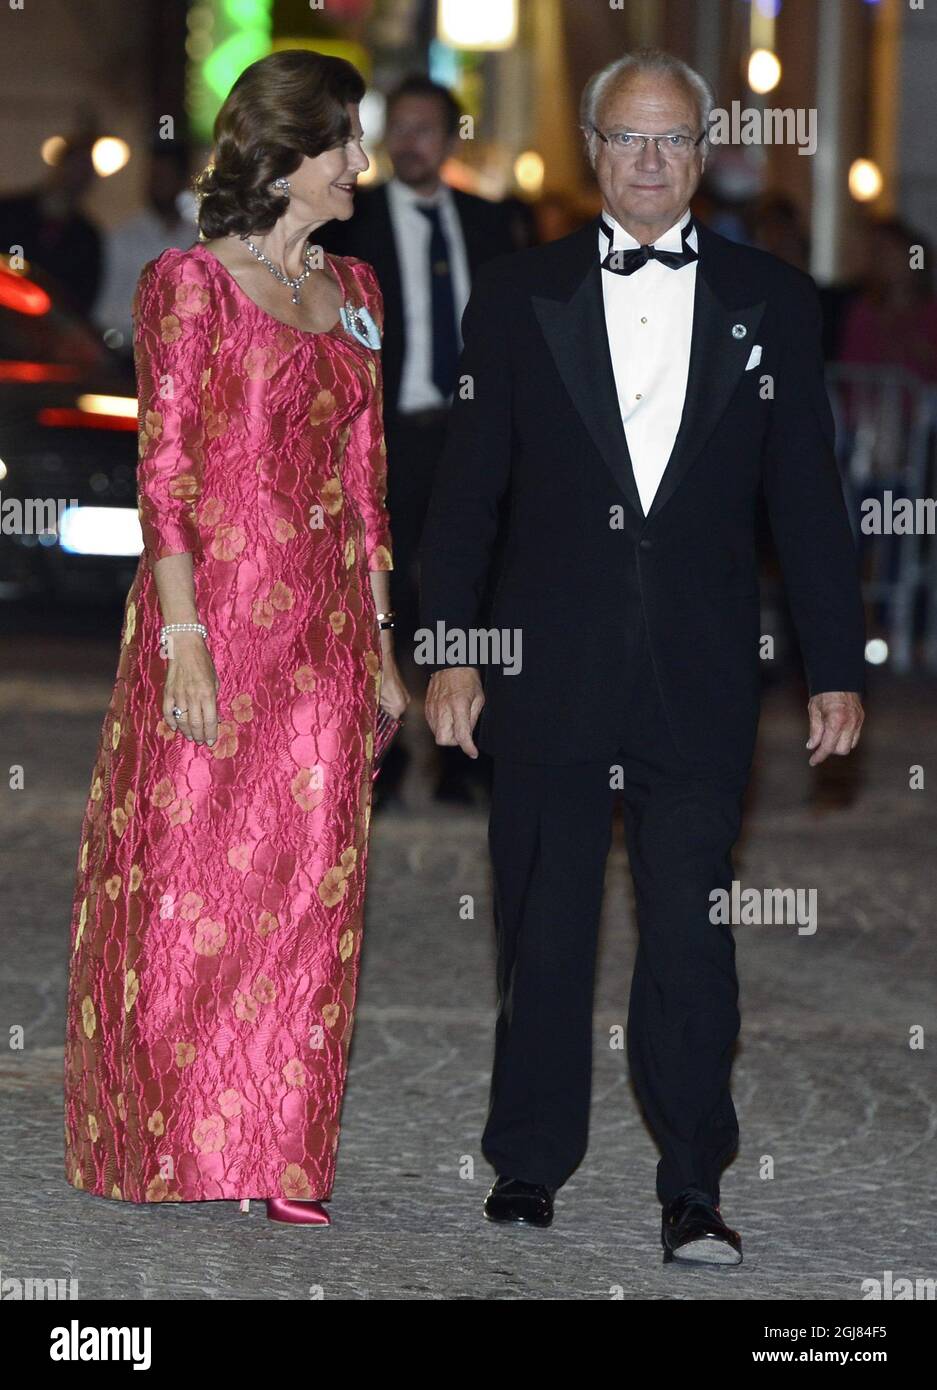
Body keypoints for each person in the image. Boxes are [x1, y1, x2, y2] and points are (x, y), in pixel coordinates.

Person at [420, 47, 866, 1264]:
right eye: (629, 138)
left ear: (707, 148)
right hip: (546, 666)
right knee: (543, 926)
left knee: (689, 935)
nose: (652, 161)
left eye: (674, 139)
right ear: (593, 145)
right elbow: (467, 497)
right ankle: (527, 1162)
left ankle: (691, 1183)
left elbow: (808, 500)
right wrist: (451, 646)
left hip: (701, 672)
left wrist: (837, 660)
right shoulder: (516, 297)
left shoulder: (773, 298)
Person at [63, 48, 408, 1226]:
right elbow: (165, 482)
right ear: (287, 152)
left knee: (312, 890)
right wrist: (184, 640)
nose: (361, 161)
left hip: (324, 633)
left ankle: (286, 1152)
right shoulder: (188, 287)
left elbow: (368, 489)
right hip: (206, 616)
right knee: (188, 881)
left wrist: (385, 645)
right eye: (344, 141)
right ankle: (170, 1134)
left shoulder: (358, 288)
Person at [318, 74, 515, 804]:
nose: (408, 141)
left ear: (451, 137)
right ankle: (381, 758)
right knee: (379, 600)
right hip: (385, 439)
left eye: (424, 127)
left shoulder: (492, 224)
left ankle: (466, 754)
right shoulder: (349, 226)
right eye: (395, 127)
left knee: (471, 596)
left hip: (471, 440)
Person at [93, 140, 198, 357]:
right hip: (130, 354)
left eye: (166, 177)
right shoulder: (124, 237)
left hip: (185, 357)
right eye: (155, 177)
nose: (159, 184)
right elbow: (107, 306)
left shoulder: (196, 239)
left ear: (181, 180)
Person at [0, 136, 102, 316]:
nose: (77, 178)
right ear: (59, 166)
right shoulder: (9, 212)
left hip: (46, 331)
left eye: (85, 173)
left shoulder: (86, 238)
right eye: (74, 167)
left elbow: (82, 298)